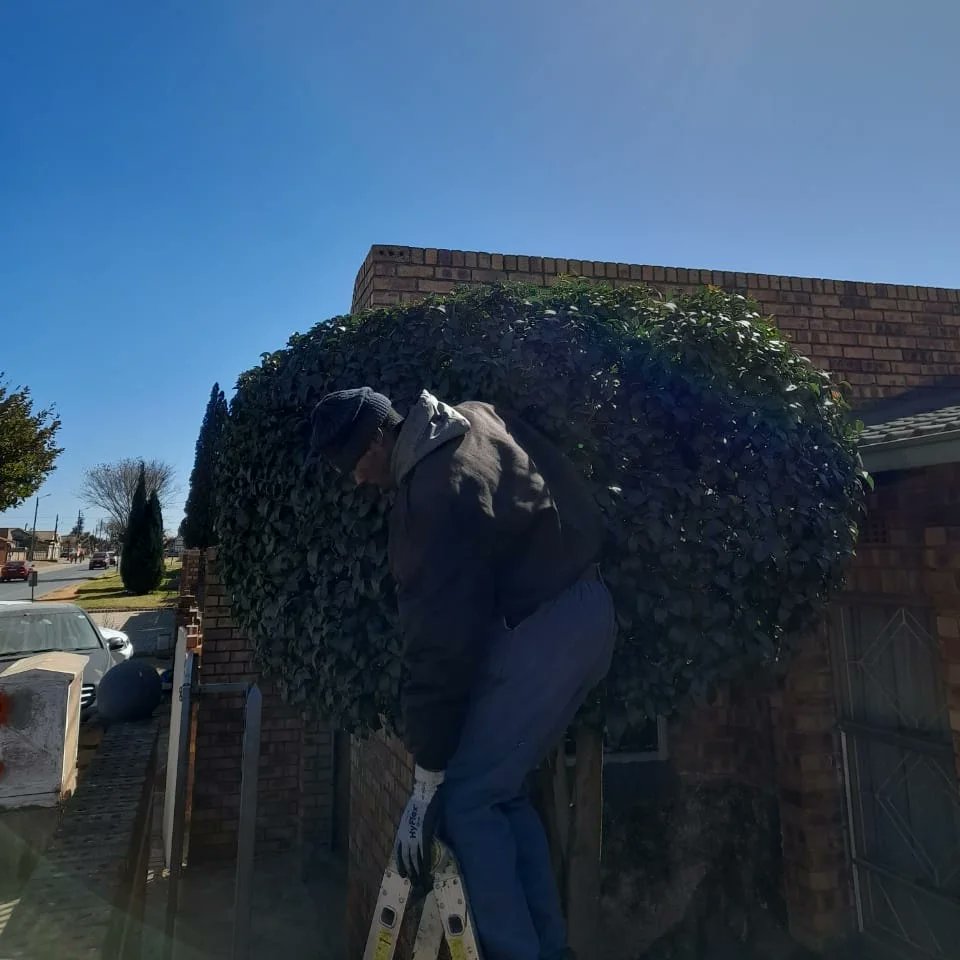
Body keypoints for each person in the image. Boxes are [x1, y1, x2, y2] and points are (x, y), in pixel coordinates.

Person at [310, 387, 616, 960]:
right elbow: (562, 482)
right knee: (499, 792)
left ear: (378, 436)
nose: (355, 479)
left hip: (547, 630)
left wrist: (427, 780)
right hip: (588, 609)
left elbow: (438, 646)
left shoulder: (428, 494)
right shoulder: (478, 416)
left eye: (352, 462)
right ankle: (548, 949)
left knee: (467, 803)